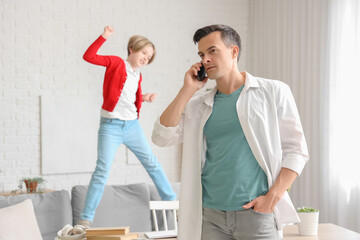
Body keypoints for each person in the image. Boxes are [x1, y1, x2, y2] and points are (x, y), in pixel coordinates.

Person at [152, 24, 309, 240]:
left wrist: (273, 197)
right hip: (210, 217)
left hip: (256, 214)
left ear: (233, 51)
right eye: (201, 54)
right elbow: (161, 137)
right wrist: (187, 89)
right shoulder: (198, 104)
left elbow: (296, 150)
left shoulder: (273, 91)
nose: (205, 59)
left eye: (212, 51)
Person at [78, 26, 176, 228]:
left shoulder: (137, 75)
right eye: (144, 53)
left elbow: (127, 97)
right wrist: (103, 37)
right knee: (102, 170)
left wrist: (143, 97)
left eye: (149, 58)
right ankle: (86, 218)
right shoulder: (115, 63)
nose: (146, 58)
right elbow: (89, 56)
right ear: (132, 48)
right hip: (110, 127)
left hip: (132, 126)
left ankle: (172, 202)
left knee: (152, 163)